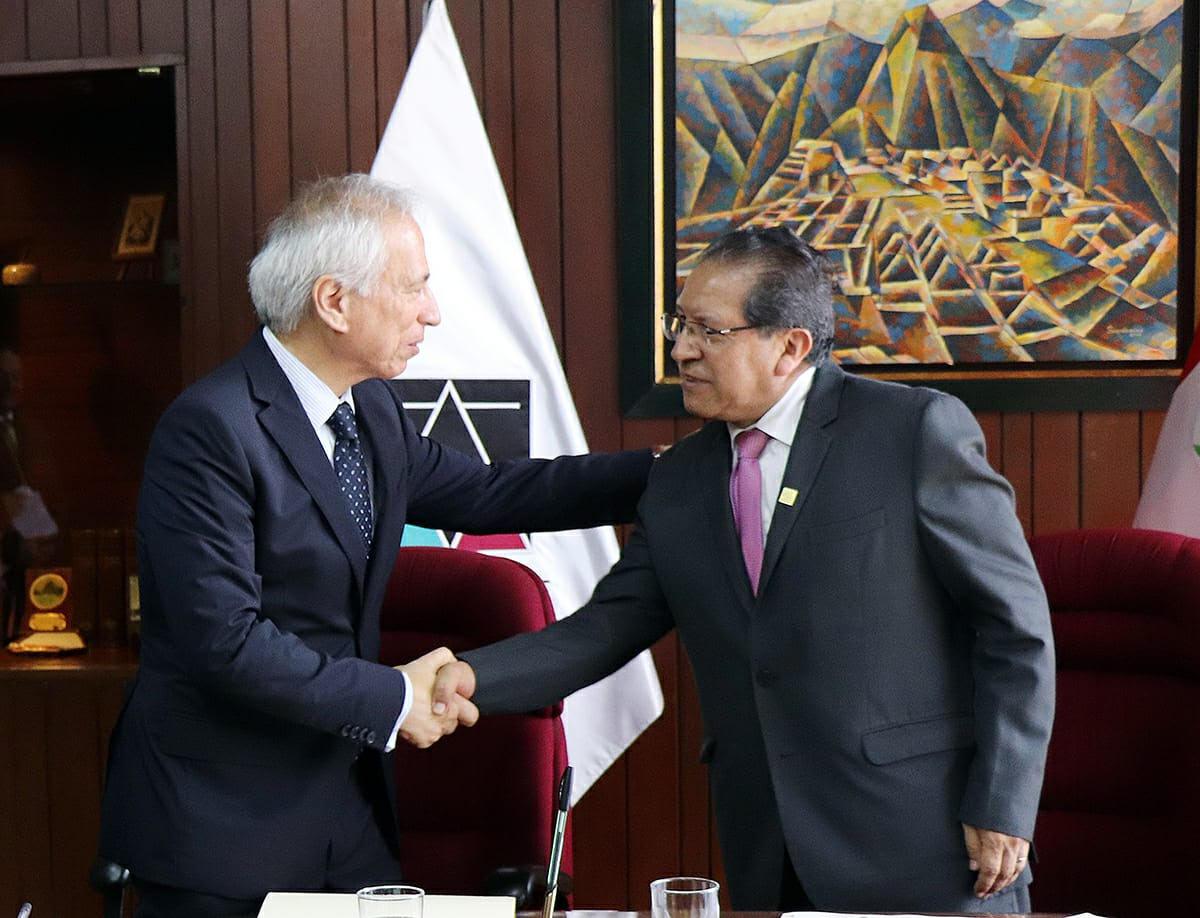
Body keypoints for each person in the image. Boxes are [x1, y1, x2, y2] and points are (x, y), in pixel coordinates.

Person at [435, 226, 1056, 913]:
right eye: (680, 324)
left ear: (788, 347)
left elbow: (1014, 628)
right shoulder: (678, 480)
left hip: (926, 838)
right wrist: (466, 678)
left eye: (708, 330)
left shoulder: (911, 432)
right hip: (769, 839)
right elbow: (604, 629)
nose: (681, 349)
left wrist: (1003, 803)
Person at [97, 174, 655, 918]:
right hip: (220, 828)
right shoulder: (210, 429)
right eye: (413, 288)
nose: (432, 311)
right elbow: (223, 641)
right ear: (334, 302)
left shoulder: (372, 409)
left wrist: (666, 477)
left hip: (348, 814)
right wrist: (393, 697)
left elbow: (493, 493)